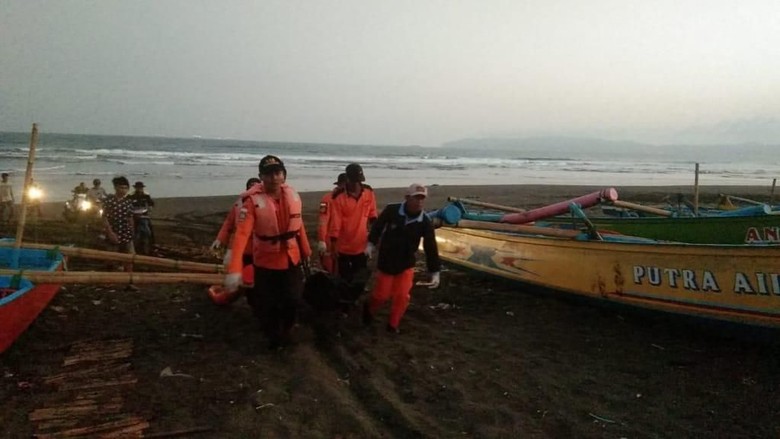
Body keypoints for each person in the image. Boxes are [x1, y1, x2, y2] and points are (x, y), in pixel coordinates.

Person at [223, 155, 312, 349]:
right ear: (261, 176)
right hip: (265, 262)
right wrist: (235, 268)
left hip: (291, 259)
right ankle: (274, 338)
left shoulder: (293, 196)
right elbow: (242, 234)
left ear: (284, 175)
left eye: (278, 173)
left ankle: (286, 330)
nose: (274, 178)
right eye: (269, 174)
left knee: (293, 299)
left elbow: (299, 226)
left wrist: (306, 250)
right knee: (267, 305)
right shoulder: (251, 202)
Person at [363, 183, 441, 334]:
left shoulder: (424, 221)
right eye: (415, 198)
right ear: (407, 198)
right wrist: (370, 243)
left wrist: (435, 271)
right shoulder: (392, 210)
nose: (419, 202)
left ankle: (393, 325)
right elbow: (378, 226)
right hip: (387, 261)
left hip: (406, 264)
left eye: (422, 198)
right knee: (381, 296)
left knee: (402, 296)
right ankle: (369, 309)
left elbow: (431, 247)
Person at [328, 163, 377, 288]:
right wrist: (333, 245)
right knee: (344, 278)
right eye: (354, 181)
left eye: (359, 181)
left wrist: (374, 240)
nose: (357, 185)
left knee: (360, 276)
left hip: (361, 244)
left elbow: (372, 215)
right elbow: (335, 223)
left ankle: (354, 298)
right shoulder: (338, 197)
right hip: (343, 246)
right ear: (347, 179)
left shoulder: (368, 192)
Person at [211, 177, 261, 285]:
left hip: (259, 247)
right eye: (250, 186)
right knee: (238, 268)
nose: (252, 188)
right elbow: (229, 223)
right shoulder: (238, 204)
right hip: (239, 245)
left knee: (255, 271)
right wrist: (221, 239)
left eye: (255, 186)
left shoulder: (264, 204)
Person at [102, 176, 136, 279]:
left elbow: (130, 217)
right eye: (121, 187)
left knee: (130, 257)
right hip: (114, 231)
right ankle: (111, 280)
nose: (124, 190)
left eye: (126, 188)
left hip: (126, 232)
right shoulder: (109, 200)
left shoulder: (128, 202)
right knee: (112, 258)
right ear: (116, 188)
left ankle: (129, 280)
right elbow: (104, 217)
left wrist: (132, 230)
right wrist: (110, 232)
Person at [316, 173, 347, 273]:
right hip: (330, 239)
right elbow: (323, 220)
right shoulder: (328, 199)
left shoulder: (350, 199)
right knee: (330, 269)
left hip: (346, 240)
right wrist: (322, 240)